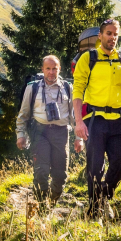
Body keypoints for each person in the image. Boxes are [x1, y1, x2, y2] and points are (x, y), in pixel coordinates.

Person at [73, 19, 121, 219]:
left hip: (117, 119)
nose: (113, 37)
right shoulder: (89, 59)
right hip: (94, 119)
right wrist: (78, 121)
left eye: (116, 34)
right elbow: (77, 90)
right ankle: (94, 213)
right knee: (95, 166)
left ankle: (102, 197)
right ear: (101, 36)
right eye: (109, 34)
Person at [16, 55, 83, 205]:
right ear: (43, 69)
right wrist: (21, 135)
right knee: (41, 172)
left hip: (61, 134)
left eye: (54, 69)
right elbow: (23, 114)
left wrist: (79, 139)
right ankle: (41, 205)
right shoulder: (32, 88)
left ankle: (52, 202)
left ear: (59, 69)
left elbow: (75, 116)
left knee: (60, 176)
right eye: (48, 68)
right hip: (40, 134)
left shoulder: (68, 88)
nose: (51, 72)